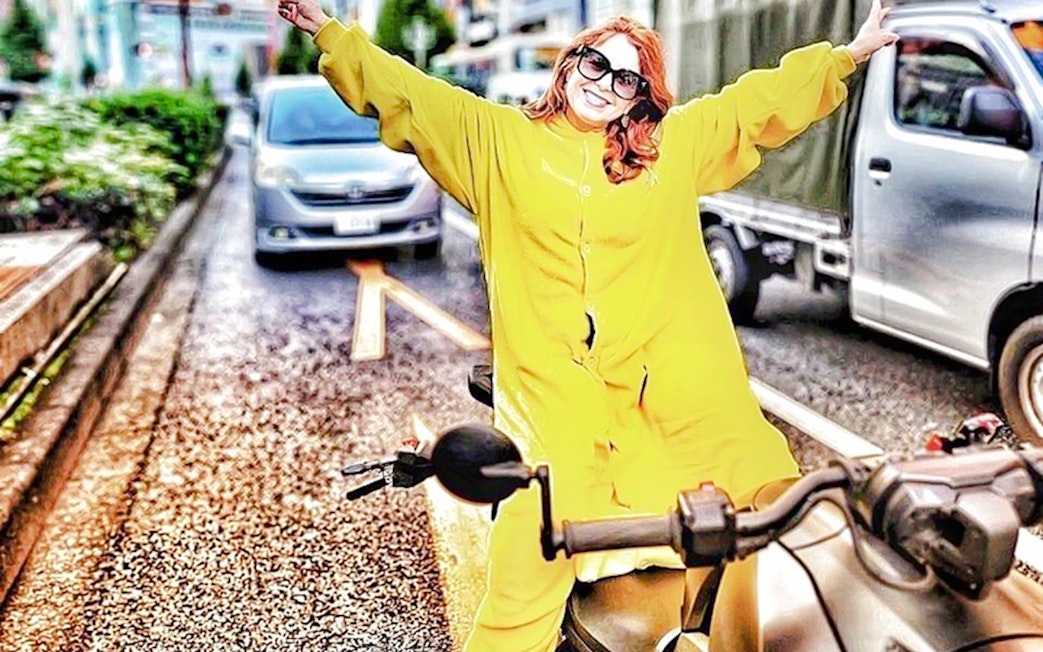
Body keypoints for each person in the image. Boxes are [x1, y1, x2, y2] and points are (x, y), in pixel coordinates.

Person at [277, 2, 898, 650]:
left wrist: (846, 56)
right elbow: (406, 92)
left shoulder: (669, 149)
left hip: (676, 387)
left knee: (780, 506)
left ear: (639, 99)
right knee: (535, 547)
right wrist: (328, 31)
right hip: (554, 395)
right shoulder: (496, 139)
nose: (603, 82)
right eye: (595, 62)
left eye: (624, 79)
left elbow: (752, 106)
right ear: (569, 63)